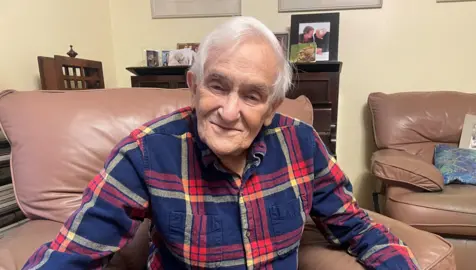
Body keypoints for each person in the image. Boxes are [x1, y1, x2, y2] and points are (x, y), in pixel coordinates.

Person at [23, 17, 419, 270]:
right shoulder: (144, 153)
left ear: (270, 107)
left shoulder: (302, 144)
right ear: (194, 87)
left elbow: (354, 226)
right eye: (217, 85)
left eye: (251, 95)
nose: (229, 112)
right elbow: (73, 252)